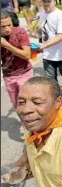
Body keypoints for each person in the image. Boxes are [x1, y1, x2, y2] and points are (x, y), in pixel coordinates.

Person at [1, 10, 33, 138]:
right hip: (9, 75)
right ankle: (26, 125)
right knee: (18, 106)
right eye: (3, 27)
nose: (8, 29)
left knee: (27, 103)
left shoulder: (20, 32)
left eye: (9, 25)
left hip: (25, 72)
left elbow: (26, 55)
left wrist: (6, 45)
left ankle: (32, 131)